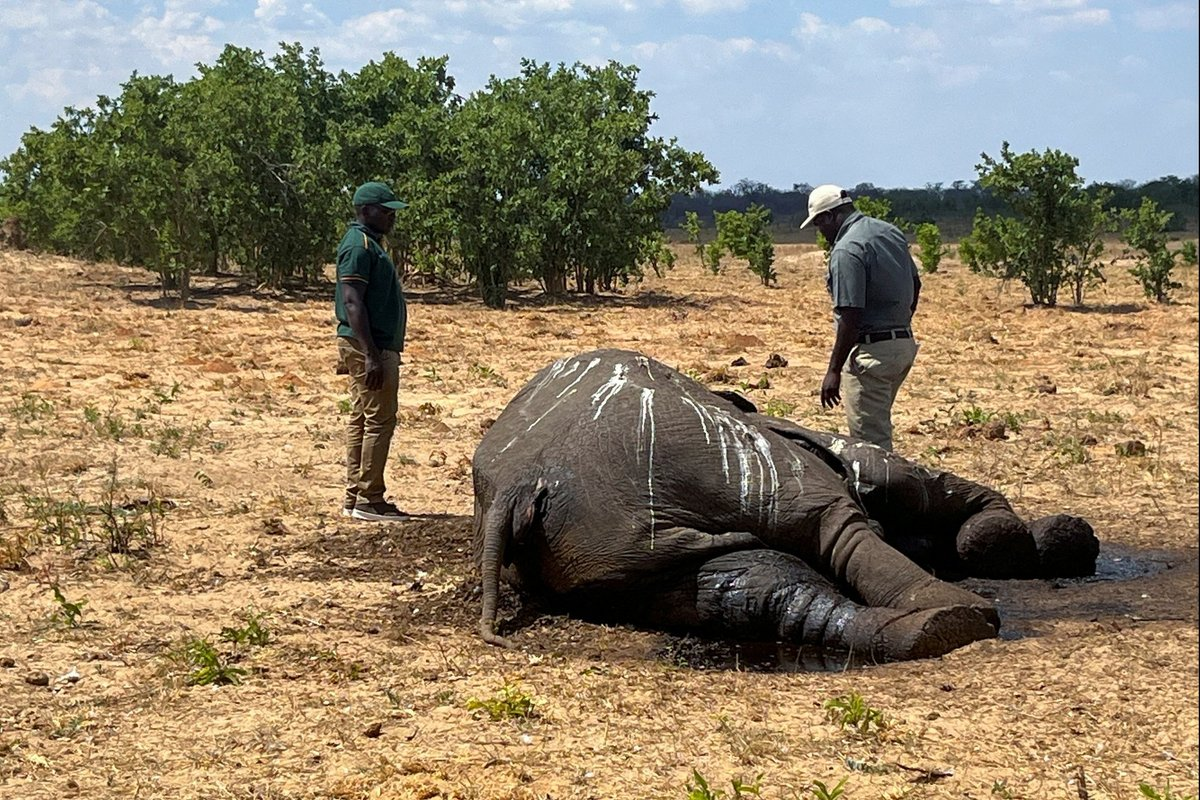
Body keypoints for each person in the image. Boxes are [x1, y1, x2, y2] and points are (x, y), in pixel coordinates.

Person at [800, 184, 921, 452]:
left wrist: (833, 371)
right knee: (878, 426)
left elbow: (850, 315)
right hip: (902, 346)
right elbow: (916, 283)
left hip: (871, 358)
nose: (821, 233)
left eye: (820, 224)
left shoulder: (846, 250)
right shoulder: (889, 232)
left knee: (871, 448)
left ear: (831, 216)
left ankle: (885, 494)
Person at [334, 181, 410, 521]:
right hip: (370, 345)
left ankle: (356, 497)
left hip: (370, 344)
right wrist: (370, 354)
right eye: (385, 210)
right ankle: (370, 499)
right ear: (365, 211)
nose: (391, 216)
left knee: (363, 418)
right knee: (379, 419)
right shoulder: (359, 246)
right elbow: (352, 301)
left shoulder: (370, 244)